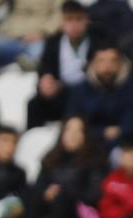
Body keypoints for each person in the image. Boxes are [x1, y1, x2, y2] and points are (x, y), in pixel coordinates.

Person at [27, 1, 100, 129]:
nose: (74, 25)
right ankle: (32, 140)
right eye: (69, 19)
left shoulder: (98, 40)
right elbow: (45, 69)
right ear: (62, 22)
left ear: (87, 20)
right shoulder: (53, 42)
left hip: (90, 92)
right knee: (34, 103)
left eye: (78, 19)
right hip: (61, 92)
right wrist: (46, 81)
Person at [32, 117, 106, 218]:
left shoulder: (95, 161)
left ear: (85, 135)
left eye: (79, 130)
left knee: (61, 199)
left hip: (77, 216)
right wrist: (46, 194)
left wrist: (65, 191)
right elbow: (38, 187)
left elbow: (94, 195)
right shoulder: (50, 159)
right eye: (69, 130)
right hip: (48, 210)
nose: (73, 134)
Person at [65, 44, 133, 148]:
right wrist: (102, 132)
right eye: (101, 61)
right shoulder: (79, 90)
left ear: (120, 64)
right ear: (92, 64)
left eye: (113, 61)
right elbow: (73, 121)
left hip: (125, 145)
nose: (107, 66)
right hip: (87, 145)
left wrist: (120, 131)